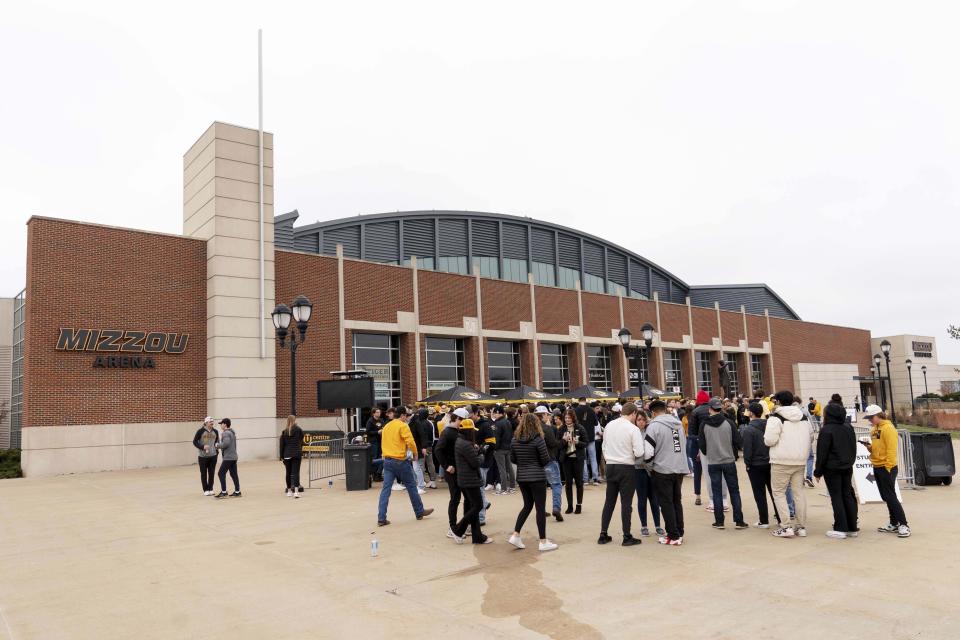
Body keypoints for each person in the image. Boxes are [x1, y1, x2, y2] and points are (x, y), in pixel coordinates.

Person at [764, 391, 813, 538]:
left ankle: (786, 526)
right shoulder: (803, 416)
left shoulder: (776, 418)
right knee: (798, 493)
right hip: (799, 460)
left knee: (779, 493)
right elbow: (811, 437)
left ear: (778, 401)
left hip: (781, 460)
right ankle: (801, 526)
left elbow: (769, 440)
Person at [376, 406, 434, 526]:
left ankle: (381, 517)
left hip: (387, 460)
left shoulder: (386, 426)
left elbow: (383, 442)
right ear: (402, 415)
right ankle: (419, 511)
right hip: (401, 461)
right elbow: (410, 441)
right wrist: (415, 453)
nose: (407, 418)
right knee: (412, 487)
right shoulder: (403, 425)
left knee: (385, 490)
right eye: (406, 416)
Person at [598, 402, 646, 546]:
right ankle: (626, 535)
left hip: (611, 465)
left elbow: (604, 446)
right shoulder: (633, 429)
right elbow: (639, 452)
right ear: (633, 414)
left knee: (609, 501)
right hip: (626, 466)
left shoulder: (610, 425)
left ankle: (603, 533)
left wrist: (609, 458)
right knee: (626, 503)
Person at [508, 413, 558, 552]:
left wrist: (524, 463)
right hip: (537, 477)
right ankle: (543, 541)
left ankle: (516, 534)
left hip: (522, 477)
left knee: (527, 506)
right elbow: (545, 459)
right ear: (536, 424)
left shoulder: (515, 440)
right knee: (540, 509)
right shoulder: (538, 439)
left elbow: (513, 459)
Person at [861, 405, 910, 538]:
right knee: (886, 496)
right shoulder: (874, 430)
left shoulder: (888, 429)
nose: (870, 420)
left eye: (871, 417)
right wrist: (869, 447)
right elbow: (877, 448)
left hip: (887, 467)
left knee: (890, 496)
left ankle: (904, 524)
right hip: (877, 466)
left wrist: (888, 468)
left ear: (878, 415)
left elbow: (891, 450)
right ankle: (894, 523)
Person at [644, 400, 687, 545]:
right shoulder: (677, 424)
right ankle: (679, 532)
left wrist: (649, 466)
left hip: (662, 469)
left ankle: (673, 535)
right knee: (676, 501)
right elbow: (681, 445)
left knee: (666, 503)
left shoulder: (653, 426)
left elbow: (648, 453)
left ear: (653, 413)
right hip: (679, 467)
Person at [699, 398, 747, 530]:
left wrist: (709, 452)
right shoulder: (729, 423)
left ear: (710, 409)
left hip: (713, 461)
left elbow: (702, 445)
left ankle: (719, 521)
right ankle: (739, 521)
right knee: (734, 491)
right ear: (721, 408)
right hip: (728, 460)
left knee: (716, 492)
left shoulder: (704, 424)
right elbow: (738, 441)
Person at [814, 401, 858, 539]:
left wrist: (818, 471)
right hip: (847, 466)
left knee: (837, 496)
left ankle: (840, 527)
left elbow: (822, 453)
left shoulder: (827, 430)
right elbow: (853, 446)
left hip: (832, 468)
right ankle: (852, 527)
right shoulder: (848, 427)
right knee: (847, 495)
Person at [450, 419, 490, 544]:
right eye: (473, 431)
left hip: (464, 478)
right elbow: (475, 463)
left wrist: (476, 450)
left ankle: (477, 536)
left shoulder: (461, 441)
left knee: (471, 506)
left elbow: (470, 459)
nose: (475, 433)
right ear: (469, 431)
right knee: (477, 505)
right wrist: (482, 453)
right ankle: (457, 530)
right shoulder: (466, 444)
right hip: (470, 479)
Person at [741, 402, 779, 528]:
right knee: (775, 492)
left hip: (755, 465)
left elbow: (748, 450)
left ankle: (764, 520)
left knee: (759, 493)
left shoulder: (749, 430)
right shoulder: (769, 426)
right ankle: (780, 518)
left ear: (751, 413)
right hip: (770, 462)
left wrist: (747, 463)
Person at [437, 407, 467, 537]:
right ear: (458, 419)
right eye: (463, 420)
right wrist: (446, 466)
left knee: (464, 497)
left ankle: (463, 525)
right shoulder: (448, 432)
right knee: (455, 498)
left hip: (459, 469)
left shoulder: (454, 431)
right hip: (452, 470)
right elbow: (438, 450)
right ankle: (453, 527)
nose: (464, 423)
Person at [633, 411, 664, 537]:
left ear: (646, 420)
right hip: (638, 469)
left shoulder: (650, 431)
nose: (641, 421)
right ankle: (644, 526)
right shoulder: (633, 433)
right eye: (638, 419)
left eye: (642, 419)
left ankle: (657, 525)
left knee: (654, 499)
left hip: (651, 469)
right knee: (642, 499)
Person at [536, 405, 564, 522]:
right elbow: (554, 444)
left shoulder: (531, 429)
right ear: (543, 415)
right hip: (549, 460)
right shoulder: (547, 429)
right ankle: (556, 508)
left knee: (540, 487)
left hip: (536, 462)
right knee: (556, 485)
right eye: (547, 414)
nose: (549, 416)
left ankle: (540, 510)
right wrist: (564, 440)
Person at [558, 409, 587, 515]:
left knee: (579, 482)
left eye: (569, 417)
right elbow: (558, 445)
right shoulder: (561, 429)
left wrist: (577, 442)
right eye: (565, 417)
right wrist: (564, 441)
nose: (567, 419)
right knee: (568, 483)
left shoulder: (580, 428)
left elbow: (586, 443)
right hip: (566, 459)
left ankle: (579, 505)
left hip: (578, 458)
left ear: (573, 418)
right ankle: (570, 505)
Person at [686, 390, 710, 505]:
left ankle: (698, 495)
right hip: (712, 446)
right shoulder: (713, 410)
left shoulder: (695, 412)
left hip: (697, 445)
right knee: (713, 472)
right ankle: (715, 496)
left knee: (697, 472)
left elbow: (690, 433)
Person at [492, 405, 517, 494]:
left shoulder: (497, 423)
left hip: (499, 449)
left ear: (498, 413)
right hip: (508, 447)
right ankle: (512, 487)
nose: (493, 415)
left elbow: (496, 438)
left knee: (501, 469)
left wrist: (495, 448)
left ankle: (503, 489)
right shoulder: (507, 422)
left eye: (494, 413)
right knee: (509, 468)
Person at [576, 398, 601, 485]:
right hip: (591, 436)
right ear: (585, 400)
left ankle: (585, 479)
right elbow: (596, 423)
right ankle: (595, 478)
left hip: (581, 437)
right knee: (593, 458)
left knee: (583, 458)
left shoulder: (576, 410)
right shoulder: (591, 410)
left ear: (579, 401)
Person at [192, 416, 219, 496]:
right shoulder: (200, 431)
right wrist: (202, 447)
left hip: (213, 456)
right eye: (210, 422)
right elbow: (194, 442)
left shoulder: (215, 431)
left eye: (212, 422)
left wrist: (216, 451)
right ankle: (205, 489)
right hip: (202, 457)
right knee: (203, 473)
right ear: (206, 423)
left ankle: (211, 488)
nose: (212, 423)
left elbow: (217, 442)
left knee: (211, 473)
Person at [279, 415, 304, 498]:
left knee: (288, 473)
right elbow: (301, 439)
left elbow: (282, 445)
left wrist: (281, 456)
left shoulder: (284, 432)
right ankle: (296, 492)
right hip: (296, 454)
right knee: (295, 473)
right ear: (295, 420)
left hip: (287, 455)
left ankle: (289, 491)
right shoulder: (298, 429)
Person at [214, 418, 241, 498]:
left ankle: (224, 492)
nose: (220, 425)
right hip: (234, 457)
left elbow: (226, 444)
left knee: (221, 473)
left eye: (221, 424)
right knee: (234, 474)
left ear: (225, 424)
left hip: (228, 457)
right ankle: (237, 491)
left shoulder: (225, 433)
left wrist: (217, 445)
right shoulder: (232, 433)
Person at [366, 407, 386, 481]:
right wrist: (377, 432)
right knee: (374, 457)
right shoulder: (370, 421)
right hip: (373, 442)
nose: (379, 413)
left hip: (381, 441)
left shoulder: (381, 420)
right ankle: (373, 474)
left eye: (379, 412)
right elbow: (368, 431)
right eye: (377, 412)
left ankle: (378, 474)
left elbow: (384, 427)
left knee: (381, 457)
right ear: (373, 413)